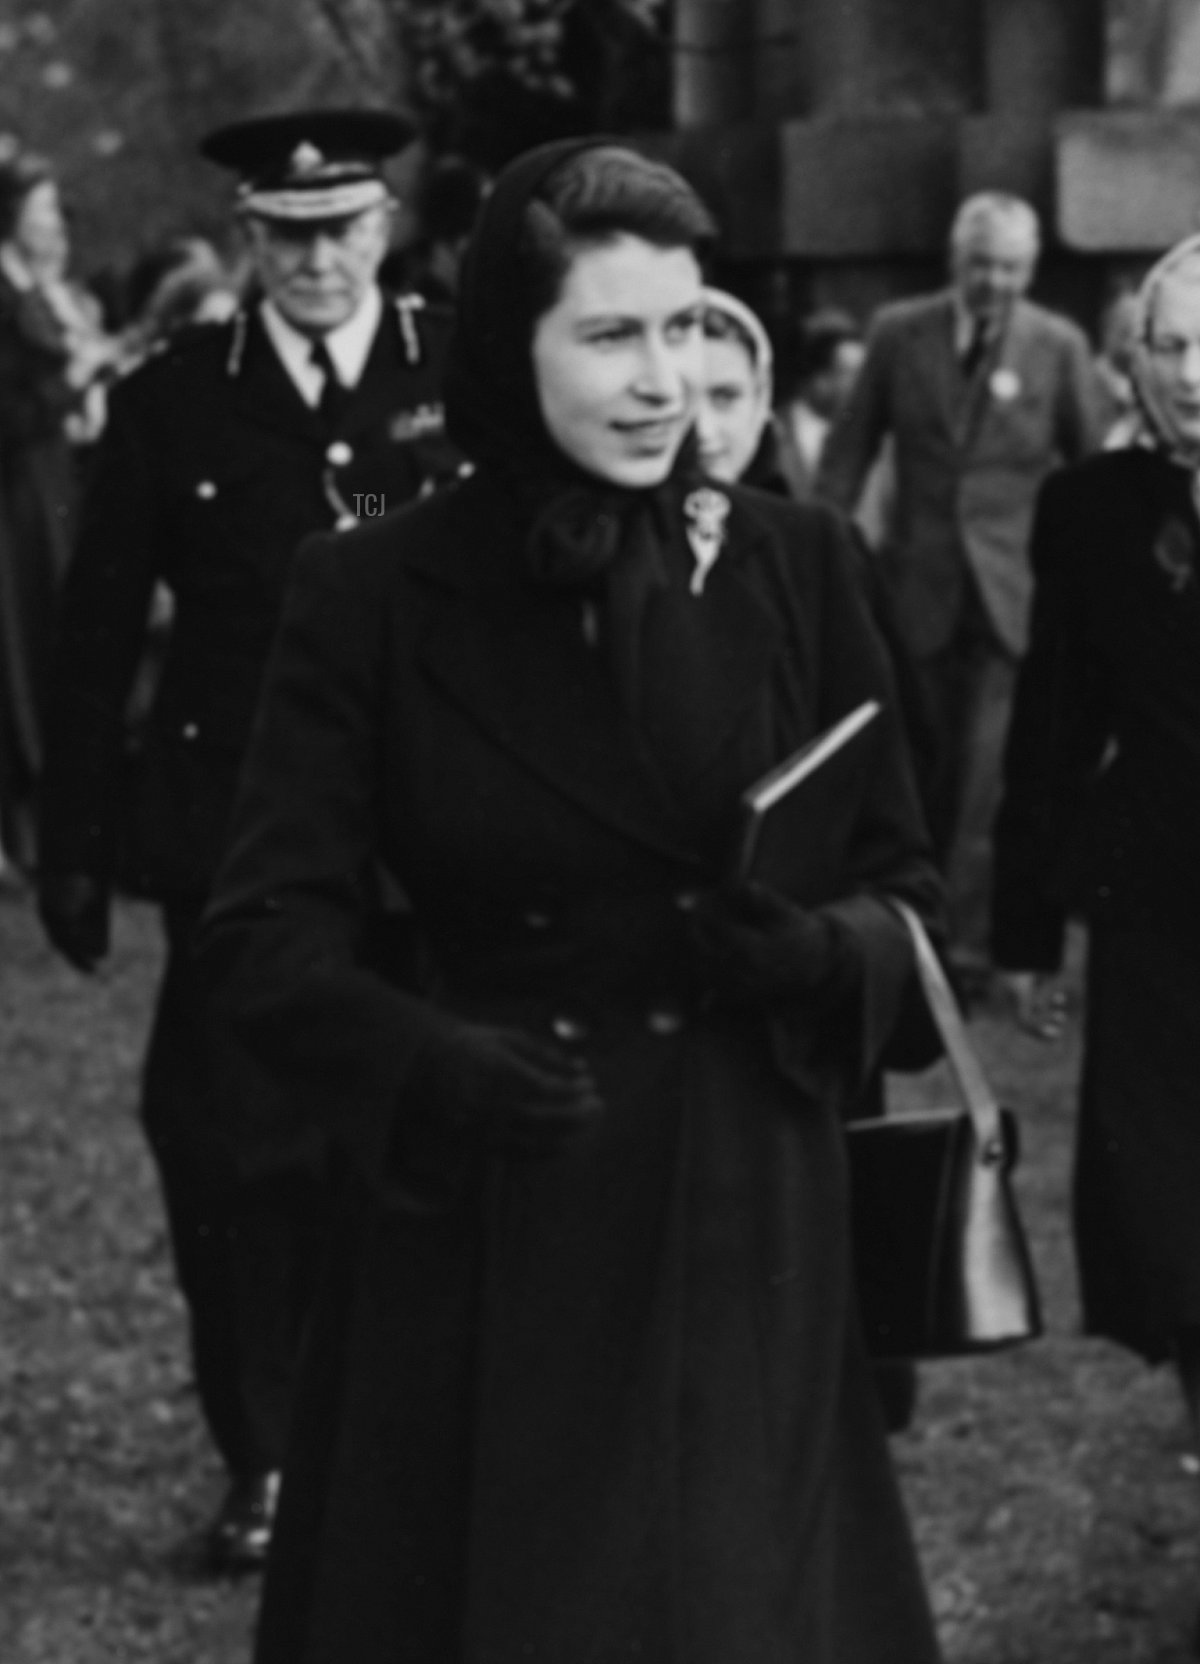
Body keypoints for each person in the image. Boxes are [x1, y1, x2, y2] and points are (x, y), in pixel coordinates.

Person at [199, 139, 944, 1663]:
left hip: (745, 1213)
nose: (663, 383)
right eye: (609, 336)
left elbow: (908, 897)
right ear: (505, 345)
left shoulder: (800, 563)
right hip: (492, 1220)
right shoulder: (373, 588)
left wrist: (822, 955)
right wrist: (426, 1061)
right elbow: (261, 942)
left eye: (685, 328)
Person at [36, 106, 457, 1572]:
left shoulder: (455, 378)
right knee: (225, 1145)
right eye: (286, 237)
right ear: (248, 241)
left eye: (341, 231)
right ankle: (264, 1454)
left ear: (383, 229)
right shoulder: (174, 400)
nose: (316, 262)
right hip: (236, 839)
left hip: (424, 840)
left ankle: (398, 1443)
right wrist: (74, 841)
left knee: (405, 1138)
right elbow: (97, 631)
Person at [992, 238, 1200, 1633]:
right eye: (1170, 345)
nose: (1196, 374)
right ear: (1132, 362)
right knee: (1181, 1234)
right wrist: (1023, 933)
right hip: (1164, 928)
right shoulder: (1091, 511)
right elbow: (1052, 726)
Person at [818, 192, 1103, 994]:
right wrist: (820, 553)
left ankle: (964, 953)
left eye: (1011, 268)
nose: (995, 282)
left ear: (1031, 268)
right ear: (955, 260)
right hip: (916, 592)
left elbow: (1091, 470)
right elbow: (848, 451)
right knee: (917, 776)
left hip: (1012, 599)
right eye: (982, 265)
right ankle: (906, 931)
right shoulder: (897, 333)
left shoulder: (1059, 346)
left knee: (986, 781)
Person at [0, 152, 105, 878]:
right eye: (41, 209)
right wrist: (71, 381)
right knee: (21, 645)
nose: (52, 222)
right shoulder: (8, 301)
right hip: (16, 497)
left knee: (47, 641)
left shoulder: (33, 293)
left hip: (46, 485)